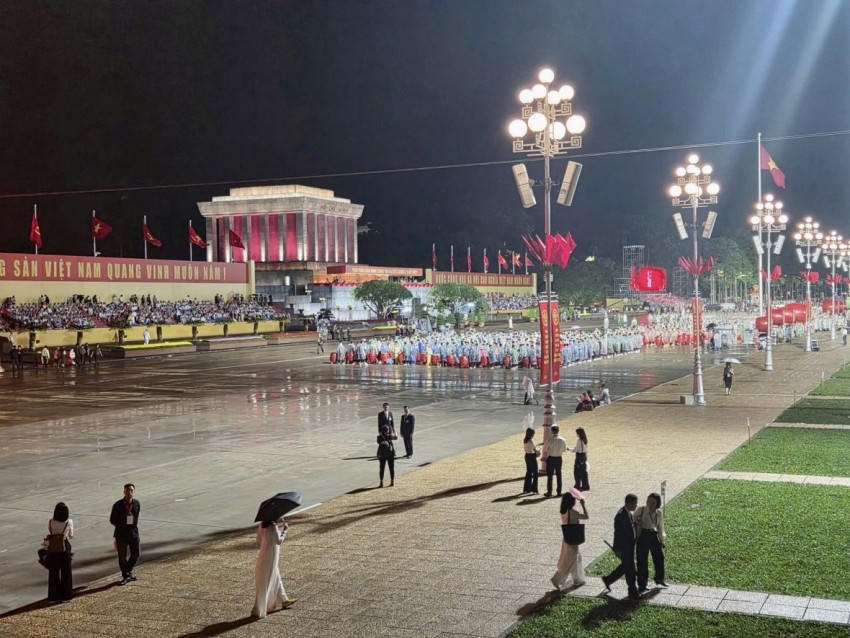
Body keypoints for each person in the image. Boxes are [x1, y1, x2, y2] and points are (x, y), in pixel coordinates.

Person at [252, 517, 295, 617]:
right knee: (271, 576)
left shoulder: (262, 525)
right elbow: (278, 541)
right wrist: (285, 530)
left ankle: (284, 599)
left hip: (263, 554)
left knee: (275, 575)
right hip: (272, 555)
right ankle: (261, 607)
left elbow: (258, 541)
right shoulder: (273, 526)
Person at [602, 493, 639, 600]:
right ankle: (632, 590)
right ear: (628, 503)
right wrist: (617, 549)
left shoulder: (628, 513)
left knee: (626, 567)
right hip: (624, 547)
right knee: (630, 569)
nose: (636, 506)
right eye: (634, 504)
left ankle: (608, 579)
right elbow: (617, 534)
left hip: (630, 546)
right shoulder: (620, 516)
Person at [551, 493, 588, 590]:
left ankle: (577, 579)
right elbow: (586, 516)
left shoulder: (564, 511)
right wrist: (583, 505)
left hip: (566, 538)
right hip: (573, 539)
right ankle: (556, 579)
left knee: (576, 559)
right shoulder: (573, 513)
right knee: (569, 561)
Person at [634, 492, 668, 592]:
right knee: (642, 561)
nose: (650, 504)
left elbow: (660, 527)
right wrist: (637, 521)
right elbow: (632, 518)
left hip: (653, 535)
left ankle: (659, 579)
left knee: (659, 557)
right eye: (648, 501)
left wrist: (661, 540)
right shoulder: (641, 509)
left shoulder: (659, 513)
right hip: (642, 535)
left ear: (657, 503)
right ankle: (642, 584)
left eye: (653, 502)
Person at [109, 483, 141, 585]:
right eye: (127, 490)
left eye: (131, 490)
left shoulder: (136, 503)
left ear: (134, 492)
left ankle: (128, 570)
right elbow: (112, 520)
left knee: (136, 554)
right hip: (121, 534)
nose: (129, 492)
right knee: (122, 556)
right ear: (124, 492)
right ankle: (126, 575)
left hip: (133, 533)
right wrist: (123, 522)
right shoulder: (118, 505)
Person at [45, 502, 74, 602]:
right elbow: (71, 535)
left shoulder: (51, 521)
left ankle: (53, 596)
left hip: (53, 547)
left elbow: (50, 531)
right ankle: (66, 595)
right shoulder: (69, 522)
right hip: (64, 546)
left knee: (53, 573)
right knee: (66, 572)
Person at [543, 425, 567, 498]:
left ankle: (549, 492)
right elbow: (564, 450)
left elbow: (545, 449)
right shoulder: (563, 439)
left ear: (552, 431)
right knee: (559, 475)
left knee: (550, 476)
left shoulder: (550, 439)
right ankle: (559, 491)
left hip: (551, 458)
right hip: (559, 458)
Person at [569, 427, 590, 492]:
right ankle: (585, 485)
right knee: (584, 472)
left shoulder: (579, 440)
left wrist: (569, 449)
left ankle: (577, 485)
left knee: (576, 472)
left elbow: (576, 450)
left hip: (579, 457)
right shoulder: (585, 440)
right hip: (584, 456)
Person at [522, 427, 539, 494]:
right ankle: (534, 489)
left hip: (527, 456)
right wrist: (539, 450)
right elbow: (535, 450)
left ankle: (526, 488)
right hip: (532, 456)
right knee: (535, 473)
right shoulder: (531, 440)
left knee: (529, 472)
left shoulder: (525, 440)